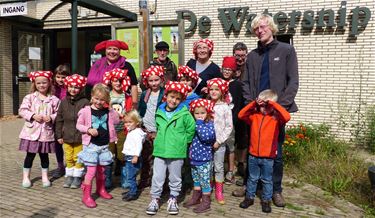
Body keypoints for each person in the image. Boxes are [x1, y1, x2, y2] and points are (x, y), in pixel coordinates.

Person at [242, 14, 299, 207]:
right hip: (257, 113)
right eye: (256, 28)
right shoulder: (252, 55)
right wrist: (251, 105)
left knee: (276, 153)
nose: (260, 31)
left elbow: (293, 81)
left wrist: (280, 106)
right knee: (253, 152)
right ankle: (250, 186)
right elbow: (246, 83)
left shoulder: (286, 50)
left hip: (276, 112)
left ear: (271, 28)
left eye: (263, 27)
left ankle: (275, 190)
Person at [145, 82, 195, 215]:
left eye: (178, 99)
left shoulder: (185, 114)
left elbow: (191, 129)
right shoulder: (159, 111)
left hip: (176, 151)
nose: (174, 100)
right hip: (160, 151)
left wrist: (183, 141)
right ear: (166, 96)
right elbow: (156, 127)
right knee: (158, 176)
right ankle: (155, 199)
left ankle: (173, 198)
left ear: (182, 100)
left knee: (175, 177)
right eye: (172, 97)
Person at [238, 89, 291, 213]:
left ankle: (266, 200)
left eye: (267, 106)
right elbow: (241, 115)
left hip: (268, 157)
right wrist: (254, 104)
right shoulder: (254, 116)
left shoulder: (276, 119)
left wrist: (272, 104)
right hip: (253, 156)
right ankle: (249, 198)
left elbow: (287, 116)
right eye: (263, 106)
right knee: (252, 178)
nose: (264, 108)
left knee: (267, 179)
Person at [76, 83, 120, 208]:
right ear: (92, 96)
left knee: (102, 170)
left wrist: (111, 108)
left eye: (102, 99)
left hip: (104, 146)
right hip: (91, 146)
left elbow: (117, 121)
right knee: (91, 171)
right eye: (96, 98)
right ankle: (86, 196)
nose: (99, 102)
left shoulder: (108, 111)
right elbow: (78, 125)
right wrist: (88, 129)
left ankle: (100, 190)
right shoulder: (86, 111)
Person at [19, 71, 60, 188]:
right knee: (30, 155)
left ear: (49, 83)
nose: (41, 85)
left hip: (45, 134)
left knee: (44, 156)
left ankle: (45, 177)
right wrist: (32, 115)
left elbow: (58, 113)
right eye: (39, 83)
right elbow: (22, 110)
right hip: (31, 133)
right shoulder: (30, 97)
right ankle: (26, 177)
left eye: (44, 83)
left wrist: (51, 117)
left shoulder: (54, 99)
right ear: (35, 84)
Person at [55, 74, 90, 189]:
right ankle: (69, 175)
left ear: (80, 89)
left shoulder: (85, 102)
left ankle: (77, 177)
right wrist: (59, 135)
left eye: (76, 87)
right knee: (69, 157)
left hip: (80, 136)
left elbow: (88, 120)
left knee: (78, 157)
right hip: (67, 135)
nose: (73, 89)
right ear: (67, 87)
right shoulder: (63, 101)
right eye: (71, 87)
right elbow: (59, 119)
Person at [183, 99, 216, 213]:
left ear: (208, 113)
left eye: (202, 113)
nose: (199, 115)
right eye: (197, 113)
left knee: (205, 181)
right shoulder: (194, 123)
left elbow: (206, 137)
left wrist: (199, 124)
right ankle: (196, 198)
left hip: (204, 159)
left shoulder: (209, 124)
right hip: (194, 158)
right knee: (196, 180)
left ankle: (206, 202)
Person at [102, 68, 132, 189]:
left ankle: (125, 179)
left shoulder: (127, 96)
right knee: (108, 155)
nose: (118, 83)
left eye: (120, 81)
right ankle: (107, 179)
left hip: (123, 131)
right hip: (109, 131)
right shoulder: (107, 96)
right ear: (111, 81)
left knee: (123, 155)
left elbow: (131, 112)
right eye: (115, 81)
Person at [87, 39, 138, 108]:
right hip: (100, 102)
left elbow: (133, 85)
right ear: (105, 50)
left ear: (119, 51)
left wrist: (134, 104)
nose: (112, 51)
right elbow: (90, 83)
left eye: (115, 49)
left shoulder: (126, 65)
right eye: (109, 49)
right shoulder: (97, 64)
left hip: (121, 102)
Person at [138, 65, 165, 190]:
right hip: (146, 129)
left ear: (161, 80)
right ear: (147, 82)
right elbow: (140, 111)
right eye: (151, 81)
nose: (154, 83)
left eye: (156, 80)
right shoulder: (144, 94)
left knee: (160, 158)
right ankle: (145, 179)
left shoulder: (165, 93)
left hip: (159, 131)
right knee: (146, 156)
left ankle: (160, 182)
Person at [207, 78, 233, 204]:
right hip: (206, 143)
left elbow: (229, 127)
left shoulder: (225, 108)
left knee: (218, 167)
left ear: (222, 91)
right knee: (208, 166)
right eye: (211, 89)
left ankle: (219, 191)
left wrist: (219, 140)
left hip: (219, 144)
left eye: (216, 89)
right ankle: (208, 187)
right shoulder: (206, 104)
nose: (213, 91)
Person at [220, 56, 245, 186]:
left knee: (230, 147)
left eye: (230, 69)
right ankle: (219, 170)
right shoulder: (217, 83)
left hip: (230, 121)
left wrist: (234, 120)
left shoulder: (237, 85)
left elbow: (239, 103)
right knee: (219, 146)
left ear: (234, 71)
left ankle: (230, 170)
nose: (227, 72)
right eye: (225, 69)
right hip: (218, 121)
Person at [121, 110, 146, 201]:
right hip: (129, 157)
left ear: (137, 122)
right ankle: (131, 190)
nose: (127, 124)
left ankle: (133, 193)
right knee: (129, 176)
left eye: (130, 122)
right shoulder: (132, 131)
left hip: (133, 158)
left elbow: (138, 146)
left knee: (131, 177)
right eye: (126, 122)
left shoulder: (137, 133)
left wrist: (136, 156)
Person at [52, 64, 71, 178]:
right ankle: (60, 166)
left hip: (67, 119)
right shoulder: (52, 88)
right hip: (55, 120)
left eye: (63, 77)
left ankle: (70, 165)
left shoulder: (70, 87)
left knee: (69, 143)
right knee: (57, 144)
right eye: (58, 77)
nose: (60, 80)